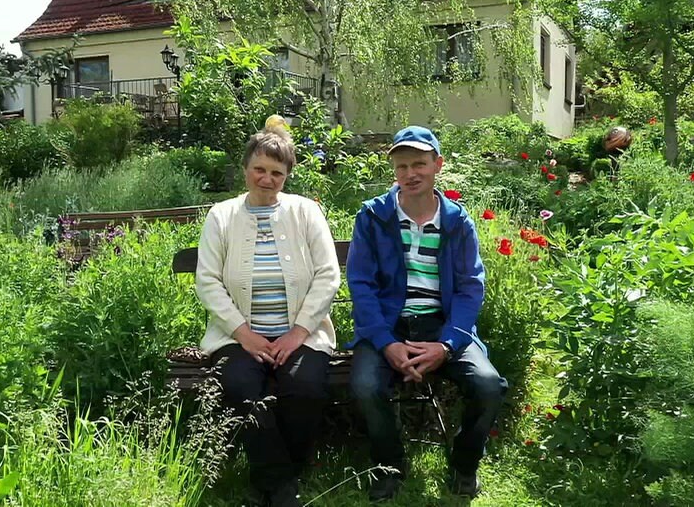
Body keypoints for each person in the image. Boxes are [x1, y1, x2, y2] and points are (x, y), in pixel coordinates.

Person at [347, 125, 508, 501]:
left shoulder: (457, 221)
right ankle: (390, 465)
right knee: (366, 386)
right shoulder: (373, 217)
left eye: (419, 164)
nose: (410, 174)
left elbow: (470, 286)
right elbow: (361, 284)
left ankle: (464, 464)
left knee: (489, 385)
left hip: (442, 326)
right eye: (402, 166)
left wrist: (448, 345)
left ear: (438, 164)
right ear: (394, 170)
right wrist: (386, 343)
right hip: (388, 325)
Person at [195, 115, 341, 507]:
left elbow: (328, 275)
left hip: (302, 333)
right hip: (238, 337)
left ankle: (275, 475)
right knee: (241, 387)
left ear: (286, 176)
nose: (266, 178)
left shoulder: (305, 212)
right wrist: (245, 334)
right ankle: (282, 482)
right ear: (245, 169)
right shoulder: (221, 216)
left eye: (276, 172)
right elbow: (207, 281)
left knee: (305, 389)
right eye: (259, 169)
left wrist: (298, 333)